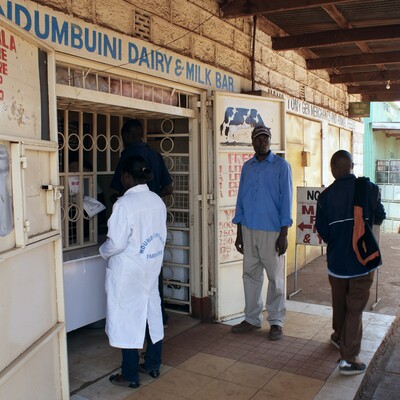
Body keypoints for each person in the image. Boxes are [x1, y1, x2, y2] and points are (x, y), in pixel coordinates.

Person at [315, 150, 386, 376]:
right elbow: (380, 215)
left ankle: (339, 336)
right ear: (352, 166)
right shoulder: (368, 188)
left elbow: (323, 231)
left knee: (339, 302)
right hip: (362, 261)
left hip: (336, 262)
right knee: (355, 307)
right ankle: (348, 359)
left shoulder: (325, 197)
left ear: (332, 169)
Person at [100, 155, 167, 388]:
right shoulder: (156, 200)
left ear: (126, 177)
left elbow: (116, 243)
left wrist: (102, 251)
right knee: (152, 315)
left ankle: (129, 374)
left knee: (128, 318)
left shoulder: (124, 205)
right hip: (150, 267)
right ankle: (152, 364)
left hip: (129, 271)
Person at [231, 125, 293, 340]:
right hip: (248, 229)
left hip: (272, 232)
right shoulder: (247, 167)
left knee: (275, 278)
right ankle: (251, 319)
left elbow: (286, 202)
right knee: (250, 276)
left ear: (270, 140)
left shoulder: (281, 166)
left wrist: (284, 234)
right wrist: (239, 232)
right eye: (258, 138)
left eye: (265, 138)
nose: (262, 141)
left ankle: (276, 321)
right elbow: (241, 200)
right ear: (252, 142)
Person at [111, 119, 173, 326]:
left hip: (133, 227)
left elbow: (117, 190)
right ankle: (159, 316)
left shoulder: (127, 157)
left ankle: (139, 323)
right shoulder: (155, 155)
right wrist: (151, 198)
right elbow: (169, 187)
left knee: (134, 282)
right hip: (153, 222)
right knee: (154, 272)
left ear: (127, 136)